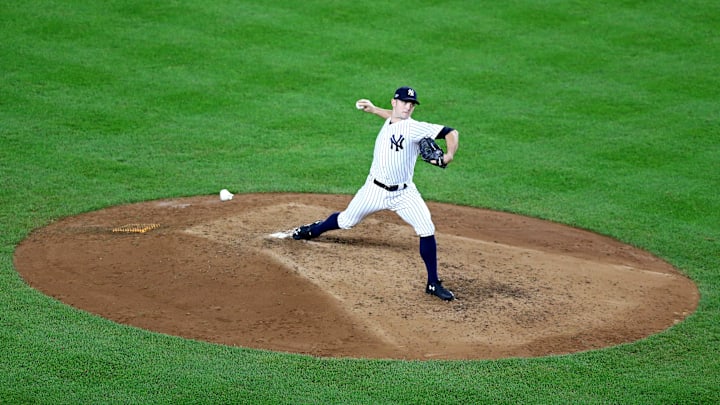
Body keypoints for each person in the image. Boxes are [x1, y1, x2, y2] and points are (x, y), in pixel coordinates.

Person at [292, 86, 459, 301]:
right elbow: (392, 116)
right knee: (346, 221)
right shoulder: (392, 119)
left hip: (404, 194)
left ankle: (433, 283)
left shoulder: (415, 128)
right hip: (374, 190)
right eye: (404, 102)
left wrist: (449, 155)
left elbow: (451, 132)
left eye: (412, 104)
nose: (408, 106)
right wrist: (372, 110)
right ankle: (314, 230)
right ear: (394, 102)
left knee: (426, 228)